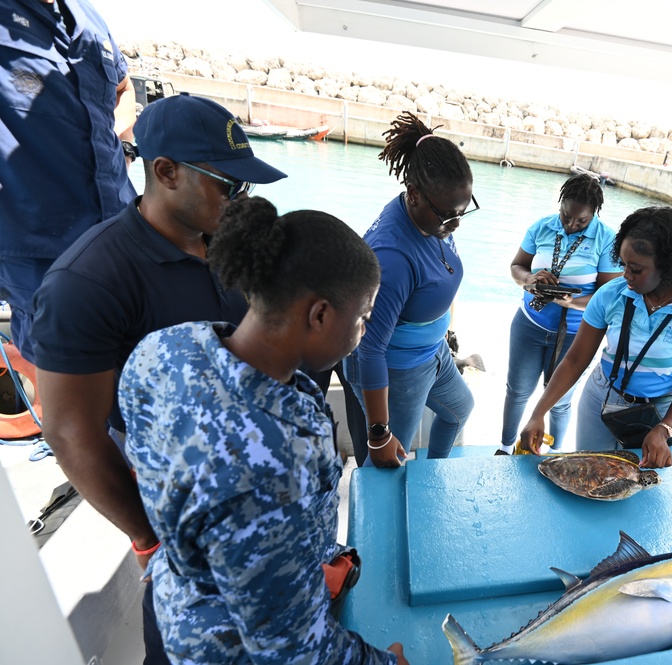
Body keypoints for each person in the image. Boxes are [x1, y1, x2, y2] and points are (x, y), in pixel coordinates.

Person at [31, 93, 286, 664]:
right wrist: (148, 536)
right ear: (165, 172)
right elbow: (72, 433)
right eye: (229, 185)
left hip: (250, 500)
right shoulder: (89, 281)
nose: (240, 199)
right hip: (179, 517)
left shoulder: (223, 244)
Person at [120, 197, 407, 665]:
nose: (364, 330)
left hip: (171, 600)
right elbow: (292, 649)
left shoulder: (166, 347)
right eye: (363, 317)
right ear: (319, 315)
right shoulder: (272, 461)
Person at [519, 206, 672, 468]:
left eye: (636, 269)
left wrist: (664, 429)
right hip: (602, 396)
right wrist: (538, 413)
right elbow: (575, 361)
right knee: (590, 475)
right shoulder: (610, 295)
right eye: (623, 264)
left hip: (659, 413)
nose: (626, 276)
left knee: (638, 485)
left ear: (669, 267)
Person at [1, 0, 137, 362]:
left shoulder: (89, 18)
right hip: (43, 253)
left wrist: (124, 142)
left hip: (123, 235)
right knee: (72, 387)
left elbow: (125, 88)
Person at [344, 112, 476, 468]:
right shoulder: (392, 258)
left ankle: (430, 477)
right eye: (449, 215)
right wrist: (379, 433)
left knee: (459, 410)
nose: (456, 223)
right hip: (398, 368)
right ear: (413, 194)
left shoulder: (432, 220)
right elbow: (368, 351)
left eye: (464, 210)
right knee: (388, 463)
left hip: (434, 353)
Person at [496, 174, 620, 455]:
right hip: (529, 323)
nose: (571, 225)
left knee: (561, 399)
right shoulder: (541, 227)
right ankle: (504, 448)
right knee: (517, 392)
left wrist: (571, 302)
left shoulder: (607, 239)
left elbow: (608, 297)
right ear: (560, 204)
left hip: (576, 333)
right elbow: (517, 266)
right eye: (566, 216)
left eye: (581, 221)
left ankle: (555, 453)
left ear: (594, 215)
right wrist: (530, 280)